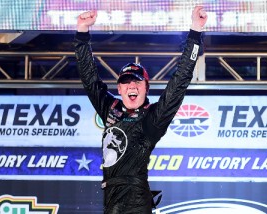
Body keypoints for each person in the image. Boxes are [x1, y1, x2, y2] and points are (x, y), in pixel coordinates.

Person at [74, 5, 207, 214]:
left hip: (135, 202)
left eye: (137, 82)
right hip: (111, 201)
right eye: (126, 82)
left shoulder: (152, 118)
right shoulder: (111, 108)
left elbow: (179, 81)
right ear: (119, 88)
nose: (132, 86)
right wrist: (82, 33)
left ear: (146, 88)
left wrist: (195, 33)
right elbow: (89, 78)